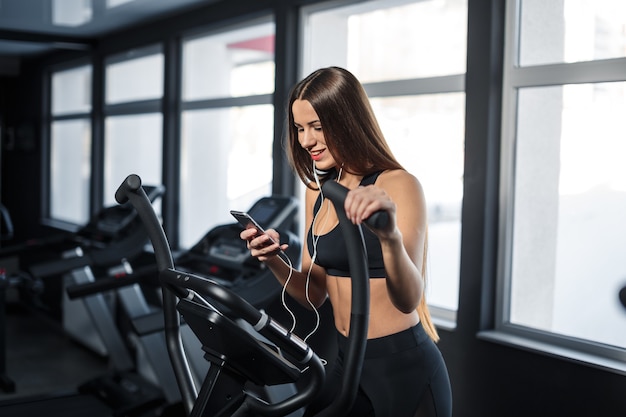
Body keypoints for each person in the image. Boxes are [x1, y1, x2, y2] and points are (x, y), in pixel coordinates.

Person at [239, 66, 452, 417]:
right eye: (300, 128)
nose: (306, 141)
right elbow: (312, 295)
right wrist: (272, 258)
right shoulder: (317, 192)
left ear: (348, 121)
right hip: (345, 360)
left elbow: (409, 298)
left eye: (318, 127)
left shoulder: (399, 184)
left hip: (401, 368)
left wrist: (390, 237)